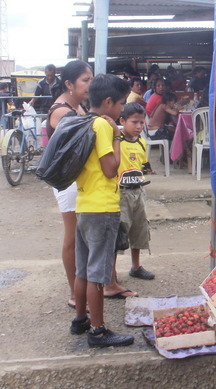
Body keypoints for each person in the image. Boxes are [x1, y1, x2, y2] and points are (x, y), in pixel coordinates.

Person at [70, 73, 134, 348]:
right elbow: (110, 169)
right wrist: (118, 136)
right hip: (102, 208)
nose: (121, 110)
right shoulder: (104, 126)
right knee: (99, 273)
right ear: (108, 102)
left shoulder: (83, 122)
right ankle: (98, 331)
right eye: (121, 104)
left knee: (82, 269)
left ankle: (80, 319)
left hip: (84, 204)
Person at [46, 60, 94, 310]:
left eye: (91, 80)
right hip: (68, 181)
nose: (90, 85)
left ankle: (86, 287)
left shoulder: (79, 106)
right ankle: (75, 293)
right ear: (68, 84)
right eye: (85, 80)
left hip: (81, 179)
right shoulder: (62, 112)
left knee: (83, 235)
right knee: (73, 236)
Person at [117, 103, 154, 280]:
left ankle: (136, 266)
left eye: (142, 122)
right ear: (122, 120)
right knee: (120, 231)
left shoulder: (141, 142)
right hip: (120, 194)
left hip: (138, 191)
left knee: (139, 230)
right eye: (134, 122)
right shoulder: (116, 140)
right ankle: (112, 272)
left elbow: (142, 165)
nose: (139, 126)